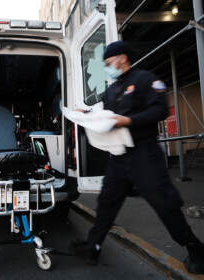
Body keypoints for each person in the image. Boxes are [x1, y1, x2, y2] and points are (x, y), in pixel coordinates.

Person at [71, 41, 204, 274]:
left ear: (122, 58)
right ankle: (93, 245)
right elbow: (106, 112)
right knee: (107, 202)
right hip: (120, 155)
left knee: (164, 204)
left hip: (145, 154)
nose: (107, 67)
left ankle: (195, 248)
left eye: (108, 62)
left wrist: (129, 121)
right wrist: (88, 113)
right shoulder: (112, 89)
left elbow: (159, 110)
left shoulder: (145, 79)